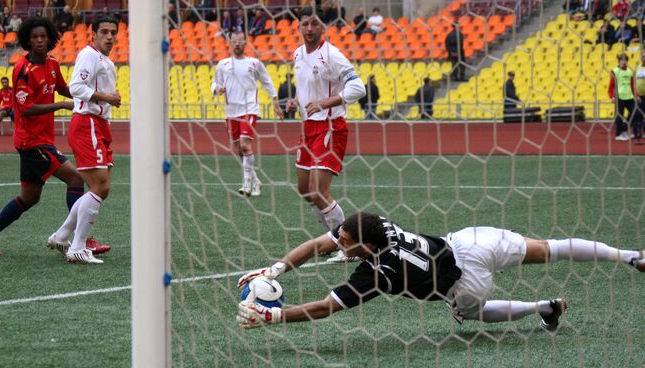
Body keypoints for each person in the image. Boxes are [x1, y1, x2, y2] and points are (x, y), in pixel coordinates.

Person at [236, 212, 645, 328]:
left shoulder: (379, 273)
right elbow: (315, 244)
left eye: (343, 242)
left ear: (366, 246)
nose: (336, 244)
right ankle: (630, 254)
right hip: (468, 242)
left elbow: (326, 307)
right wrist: (275, 270)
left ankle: (542, 307)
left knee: (467, 313)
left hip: (465, 283)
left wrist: (274, 315)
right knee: (548, 249)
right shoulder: (376, 225)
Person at [0, 17, 108, 256]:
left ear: (50, 39)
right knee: (76, 178)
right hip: (31, 141)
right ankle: (81, 240)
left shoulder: (53, 64)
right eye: (34, 37)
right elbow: (25, 108)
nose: (39, 40)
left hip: (41, 140)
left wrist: (88, 93)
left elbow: (66, 88)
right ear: (27, 40)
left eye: (43, 36)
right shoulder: (23, 70)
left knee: (29, 197)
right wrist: (61, 105)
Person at [285, 7, 365, 263]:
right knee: (305, 190)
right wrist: (296, 101)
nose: (309, 29)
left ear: (323, 28)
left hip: (330, 125)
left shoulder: (332, 55)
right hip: (308, 126)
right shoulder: (298, 54)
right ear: (299, 27)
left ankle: (349, 247)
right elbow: (306, 87)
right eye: (305, 24)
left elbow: (358, 87)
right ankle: (332, 239)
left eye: (314, 24)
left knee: (319, 191)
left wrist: (325, 102)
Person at [47, 15, 121, 264]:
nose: (109, 36)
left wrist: (107, 102)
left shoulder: (105, 60)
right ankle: (77, 246)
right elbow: (76, 87)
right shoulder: (89, 55)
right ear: (93, 34)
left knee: (101, 187)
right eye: (104, 32)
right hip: (87, 122)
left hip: (99, 125)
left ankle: (62, 235)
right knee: (101, 186)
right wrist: (107, 97)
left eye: (113, 32)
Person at [211, 32, 283, 197]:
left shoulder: (254, 63)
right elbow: (215, 82)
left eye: (240, 41)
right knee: (238, 148)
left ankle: (246, 184)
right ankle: (255, 180)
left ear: (245, 43)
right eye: (234, 41)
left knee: (245, 145)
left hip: (249, 108)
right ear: (230, 43)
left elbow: (267, 81)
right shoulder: (223, 64)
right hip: (231, 111)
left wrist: (275, 103)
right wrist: (217, 89)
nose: (237, 43)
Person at [609, 53, 637, 141]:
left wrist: (635, 95)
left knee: (635, 113)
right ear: (619, 61)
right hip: (619, 97)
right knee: (619, 116)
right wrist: (612, 96)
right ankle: (618, 135)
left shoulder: (630, 72)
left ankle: (624, 130)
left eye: (625, 60)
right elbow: (611, 86)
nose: (624, 62)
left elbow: (632, 85)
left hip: (629, 96)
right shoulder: (615, 71)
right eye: (622, 60)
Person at [632, 50, 645, 144]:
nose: (644, 58)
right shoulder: (638, 68)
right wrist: (635, 95)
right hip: (639, 96)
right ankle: (637, 133)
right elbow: (634, 83)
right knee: (638, 115)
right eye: (643, 56)